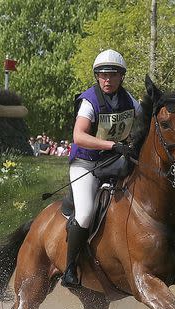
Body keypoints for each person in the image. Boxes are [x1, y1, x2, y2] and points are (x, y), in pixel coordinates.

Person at [62, 49, 141, 288]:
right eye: (102, 75)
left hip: (112, 162)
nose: (107, 80)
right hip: (85, 162)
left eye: (112, 75)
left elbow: (146, 120)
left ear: (121, 77)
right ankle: (69, 269)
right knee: (85, 212)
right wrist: (113, 145)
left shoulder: (130, 101)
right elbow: (79, 136)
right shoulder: (90, 101)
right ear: (97, 77)